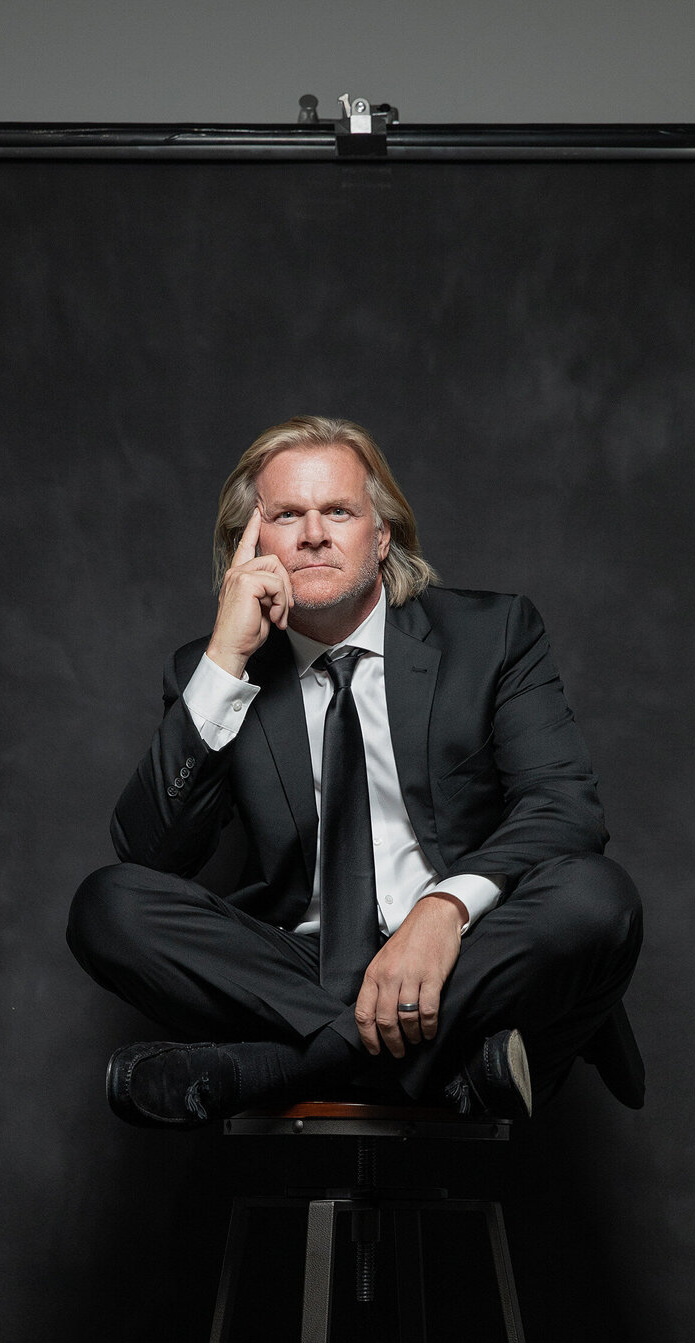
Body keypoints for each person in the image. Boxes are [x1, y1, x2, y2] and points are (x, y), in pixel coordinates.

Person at [67, 415, 642, 1128]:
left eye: (337, 510)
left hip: (458, 955)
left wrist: (444, 909)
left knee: (594, 896)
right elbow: (151, 856)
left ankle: (261, 1070)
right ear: (250, 543)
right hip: (298, 968)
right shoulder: (210, 670)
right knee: (107, 906)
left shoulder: (491, 636)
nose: (313, 533)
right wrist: (225, 659)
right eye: (286, 515)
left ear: (381, 535)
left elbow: (566, 808)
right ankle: (448, 1074)